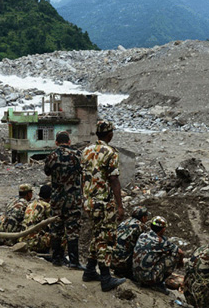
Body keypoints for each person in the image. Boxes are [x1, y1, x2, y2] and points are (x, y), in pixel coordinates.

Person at [81, 120, 126, 292]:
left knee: (96, 234)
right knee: (106, 238)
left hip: (89, 201)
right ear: (109, 134)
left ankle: (90, 270)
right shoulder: (110, 152)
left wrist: (83, 198)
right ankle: (106, 277)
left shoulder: (85, 151)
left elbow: (83, 177)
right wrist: (120, 205)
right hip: (103, 203)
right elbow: (114, 179)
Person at [44, 130, 83, 269]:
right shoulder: (78, 155)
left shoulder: (52, 156)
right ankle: (74, 262)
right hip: (74, 199)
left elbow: (47, 171)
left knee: (56, 229)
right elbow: (83, 171)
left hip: (57, 199)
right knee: (73, 230)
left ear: (56, 142)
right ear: (69, 141)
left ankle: (57, 259)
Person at [132, 216, 185, 294]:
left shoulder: (143, 234)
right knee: (174, 257)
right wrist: (181, 262)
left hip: (135, 274)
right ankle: (157, 284)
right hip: (146, 278)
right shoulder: (160, 241)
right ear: (163, 229)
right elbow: (180, 252)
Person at [110, 206, 149, 279]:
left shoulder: (125, 222)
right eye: (146, 217)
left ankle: (120, 270)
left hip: (110, 260)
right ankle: (128, 272)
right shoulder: (141, 226)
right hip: (122, 263)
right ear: (143, 218)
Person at [19, 185, 53, 253]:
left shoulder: (31, 204)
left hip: (21, 240)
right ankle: (58, 257)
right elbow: (53, 225)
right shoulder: (47, 206)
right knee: (61, 233)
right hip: (34, 243)